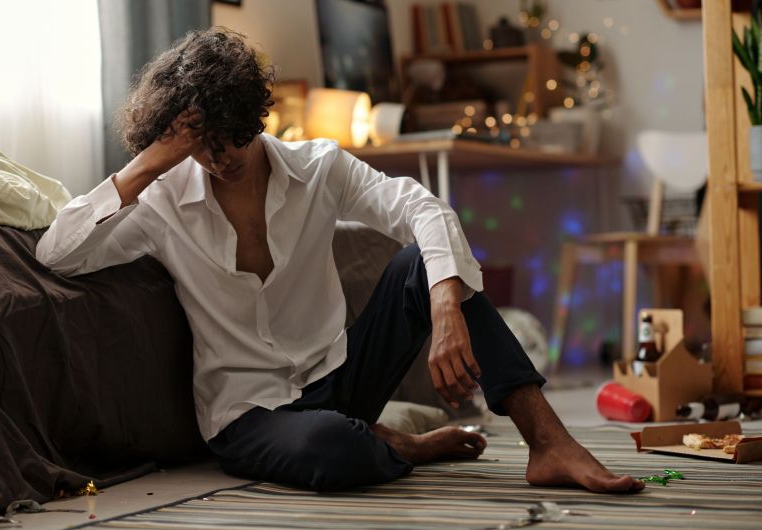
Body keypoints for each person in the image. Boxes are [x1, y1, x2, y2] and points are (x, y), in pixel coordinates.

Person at [36, 27, 643, 494]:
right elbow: (58, 253)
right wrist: (149, 162)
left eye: (230, 140)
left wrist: (444, 302)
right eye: (202, 146)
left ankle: (548, 442)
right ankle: (399, 446)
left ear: (254, 119)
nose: (219, 159)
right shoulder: (161, 198)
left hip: (338, 379)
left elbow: (423, 209)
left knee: (426, 263)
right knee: (332, 451)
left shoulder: (317, 167)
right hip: (248, 415)